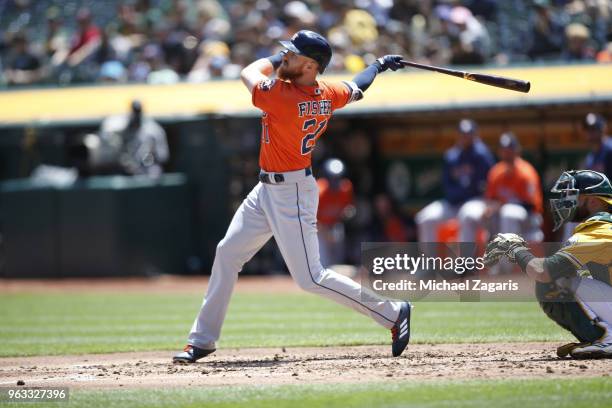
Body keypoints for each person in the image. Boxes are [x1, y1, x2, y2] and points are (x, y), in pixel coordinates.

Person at [173, 30, 411, 363]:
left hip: (292, 192)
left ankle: (393, 312)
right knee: (227, 253)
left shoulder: (282, 95)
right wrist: (379, 64)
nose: (285, 56)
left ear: (311, 65)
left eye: (293, 54)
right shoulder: (325, 91)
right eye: (286, 52)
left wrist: (275, 60)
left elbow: (248, 72)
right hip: (267, 189)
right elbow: (357, 88)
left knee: (311, 278)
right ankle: (202, 340)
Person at [484, 170, 612, 359]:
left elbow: (543, 272)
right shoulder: (603, 227)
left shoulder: (599, 231)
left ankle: (606, 339)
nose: (566, 202)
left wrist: (515, 249)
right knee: (572, 274)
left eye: (573, 196)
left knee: (554, 281)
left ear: (593, 201)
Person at [416, 119, 494, 243]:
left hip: (475, 200)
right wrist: (456, 195)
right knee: (425, 218)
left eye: (468, 133)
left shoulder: (482, 155)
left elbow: (483, 186)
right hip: (454, 203)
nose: (465, 136)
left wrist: (464, 193)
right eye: (463, 133)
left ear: (475, 134)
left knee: (467, 215)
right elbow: (447, 185)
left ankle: (466, 262)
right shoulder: (451, 156)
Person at [484, 132, 543, 242]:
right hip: (503, 217)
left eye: (510, 149)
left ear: (517, 150)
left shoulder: (526, 173)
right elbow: (490, 199)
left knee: (509, 213)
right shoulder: (496, 172)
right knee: (481, 214)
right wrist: (489, 209)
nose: (507, 153)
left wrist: (503, 204)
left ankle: (508, 257)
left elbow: (532, 205)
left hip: (529, 218)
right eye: (504, 149)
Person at [98, 99, 169, 177]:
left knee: (155, 171)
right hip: (122, 169)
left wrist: (148, 159)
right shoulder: (117, 126)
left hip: (146, 169)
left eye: (137, 112)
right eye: (134, 112)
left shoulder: (153, 130)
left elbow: (162, 157)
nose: (136, 116)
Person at [317, 158, 355, 266]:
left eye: (338, 179)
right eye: (332, 179)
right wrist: (326, 234)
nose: (335, 182)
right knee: (323, 263)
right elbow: (311, 219)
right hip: (319, 229)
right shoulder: (319, 191)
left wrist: (348, 213)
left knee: (338, 263)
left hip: (335, 226)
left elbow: (349, 209)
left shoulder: (346, 188)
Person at [582, 113, 612, 179]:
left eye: (593, 129)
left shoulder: (610, 149)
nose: (589, 133)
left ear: (602, 129)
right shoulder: (590, 157)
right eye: (587, 129)